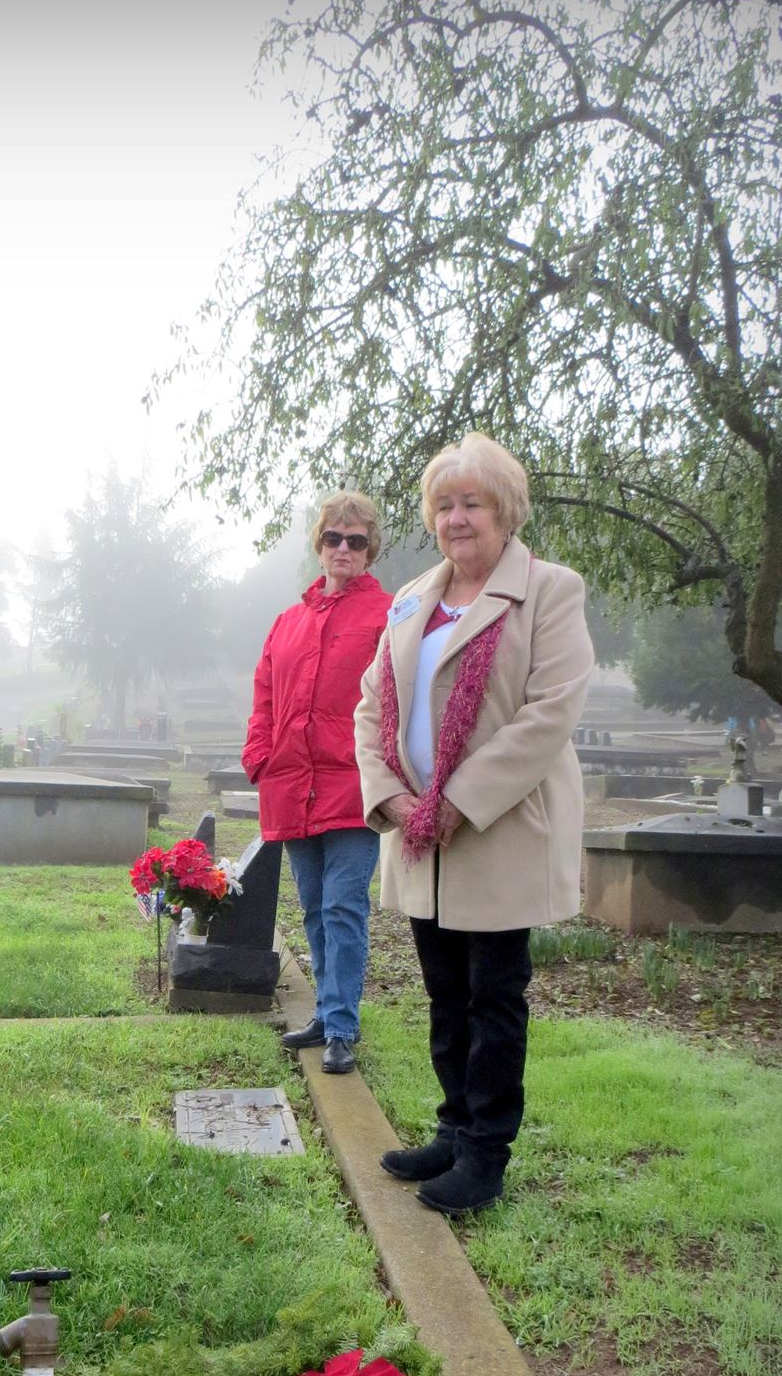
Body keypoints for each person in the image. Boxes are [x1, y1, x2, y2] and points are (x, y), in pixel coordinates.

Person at [354, 433, 594, 1215]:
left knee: (494, 997)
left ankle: (486, 1154)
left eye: (473, 503)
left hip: (497, 831)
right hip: (424, 836)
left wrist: (458, 798)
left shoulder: (550, 591)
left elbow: (550, 713)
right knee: (444, 992)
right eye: (444, 504)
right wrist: (390, 792)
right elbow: (371, 704)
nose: (457, 518)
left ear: (506, 510)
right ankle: (453, 1128)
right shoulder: (412, 598)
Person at [242, 493, 391, 1074]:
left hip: (354, 786)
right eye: (334, 538)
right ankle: (328, 1016)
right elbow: (266, 695)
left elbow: (399, 699)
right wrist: (260, 754)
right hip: (291, 785)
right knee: (311, 907)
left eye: (356, 540)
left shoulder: (388, 615)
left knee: (343, 906)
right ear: (319, 545)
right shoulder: (288, 621)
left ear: (369, 547)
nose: (344, 549)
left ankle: (343, 1028)